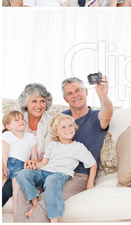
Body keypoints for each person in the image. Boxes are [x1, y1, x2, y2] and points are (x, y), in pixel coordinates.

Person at [16, 76, 113, 222]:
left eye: (78, 90)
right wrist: (36, 163)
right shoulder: (60, 118)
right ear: (65, 98)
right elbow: (49, 149)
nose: (75, 95)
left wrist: (103, 96)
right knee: (23, 191)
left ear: (86, 92)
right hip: (51, 169)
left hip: (77, 175)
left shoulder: (95, 117)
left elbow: (107, 115)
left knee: (45, 199)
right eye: (69, 93)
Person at [17, 114, 96, 222]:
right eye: (63, 127)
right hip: (45, 172)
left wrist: (90, 183)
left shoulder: (78, 147)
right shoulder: (53, 145)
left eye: (70, 125)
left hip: (59, 174)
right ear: (56, 133)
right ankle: (35, 203)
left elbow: (93, 164)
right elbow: (44, 162)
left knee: (52, 180)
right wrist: (35, 166)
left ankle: (54, 219)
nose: (68, 129)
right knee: (23, 173)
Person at [3, 83, 53, 208]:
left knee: (9, 188)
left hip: (31, 169)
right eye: (34, 101)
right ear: (26, 103)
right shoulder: (17, 120)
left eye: (42, 101)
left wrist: (32, 164)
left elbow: (46, 156)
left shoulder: (51, 123)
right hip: (9, 164)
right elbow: (4, 144)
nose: (38, 105)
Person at [2, 111, 38, 221]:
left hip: (21, 168)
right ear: (9, 126)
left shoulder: (31, 137)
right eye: (17, 120)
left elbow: (34, 158)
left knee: (17, 197)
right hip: (6, 164)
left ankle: (16, 221)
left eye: (22, 119)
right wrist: (2, 166)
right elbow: (4, 152)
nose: (21, 121)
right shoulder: (7, 135)